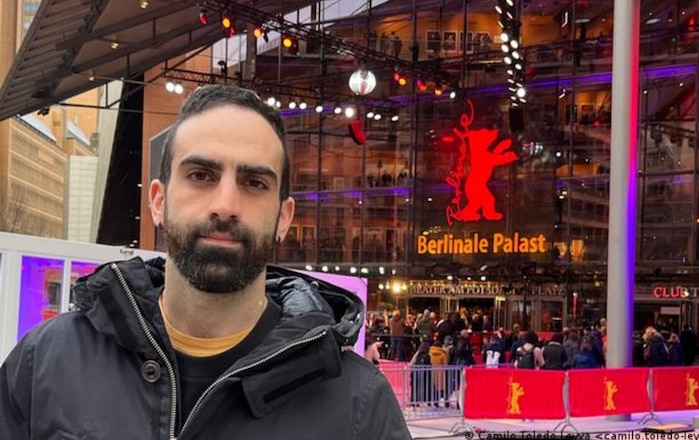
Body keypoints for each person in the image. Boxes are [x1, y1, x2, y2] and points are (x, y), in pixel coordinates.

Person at [0, 85, 410, 440]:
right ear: (158, 201)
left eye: (254, 183)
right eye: (201, 175)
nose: (225, 205)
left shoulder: (359, 405)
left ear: (283, 218)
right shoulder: (47, 362)